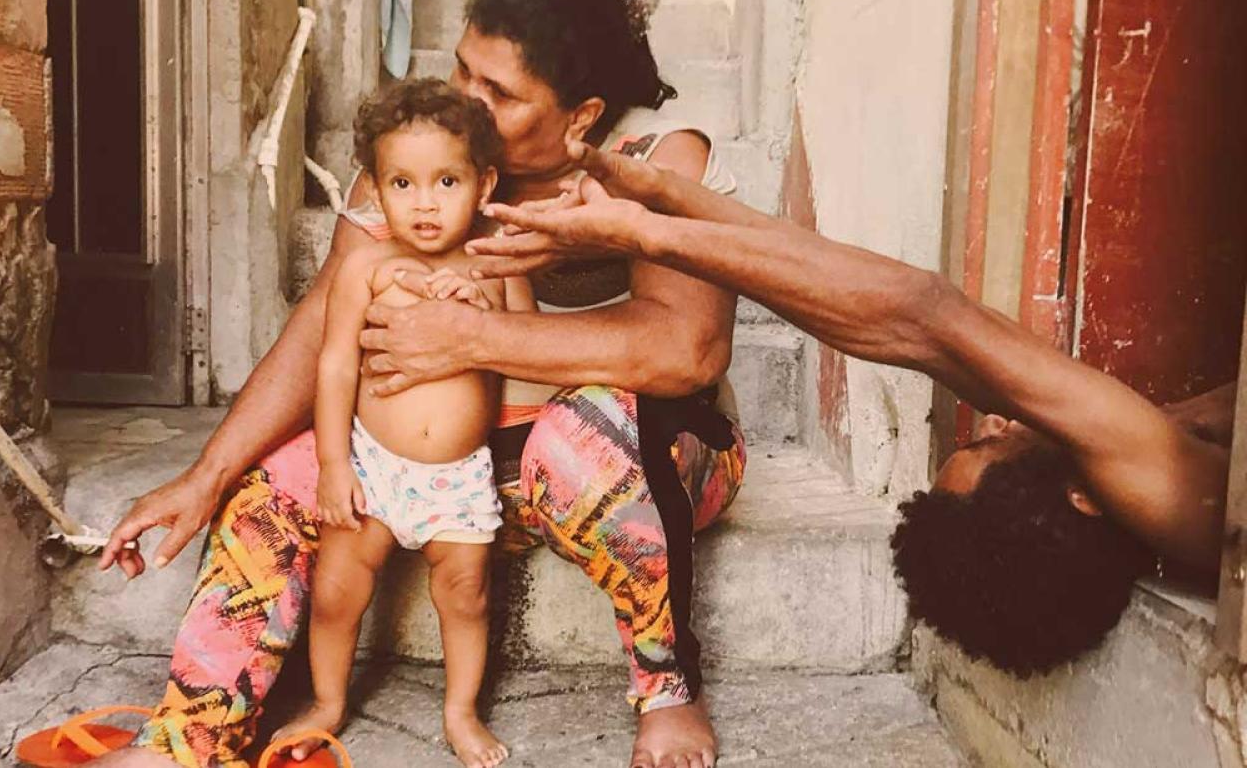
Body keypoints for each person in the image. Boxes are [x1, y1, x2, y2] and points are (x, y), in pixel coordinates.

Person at [93, 0, 744, 768]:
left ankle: (668, 685)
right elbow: (324, 325)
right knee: (276, 479)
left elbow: (687, 351)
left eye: (499, 92)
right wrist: (209, 471)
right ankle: (190, 736)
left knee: (587, 433)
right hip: (449, 466)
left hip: (643, 461)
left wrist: (469, 339)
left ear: (582, 116)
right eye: (462, 67)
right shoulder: (420, 157)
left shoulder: (654, 155)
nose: (467, 98)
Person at [470, 137, 1232, 677]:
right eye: (991, 445)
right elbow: (922, 319)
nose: (994, 419)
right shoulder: (1165, 480)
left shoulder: (1164, 479)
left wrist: (653, 215)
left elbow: (921, 326)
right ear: (1081, 499)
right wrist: (653, 214)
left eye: (985, 438)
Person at [269, 79, 527, 768]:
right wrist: (332, 465)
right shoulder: (368, 266)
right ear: (376, 194)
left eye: (447, 180)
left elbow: (533, 359)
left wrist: (481, 310)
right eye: (403, 183)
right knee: (336, 590)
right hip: (373, 466)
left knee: (466, 594)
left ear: (484, 182)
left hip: (459, 477)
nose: (426, 202)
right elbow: (334, 369)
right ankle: (327, 701)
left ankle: (460, 711)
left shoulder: (495, 264)